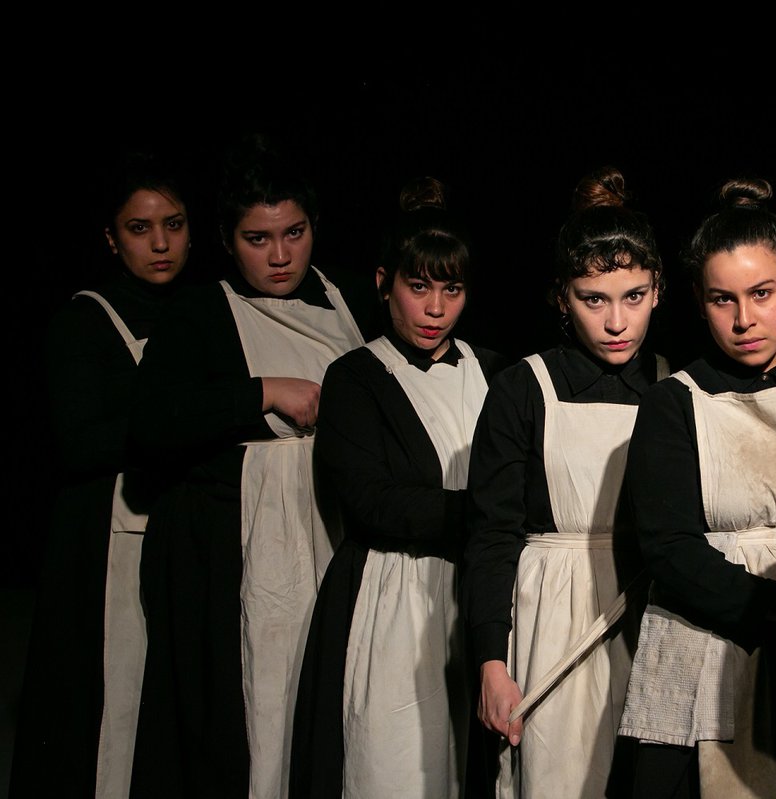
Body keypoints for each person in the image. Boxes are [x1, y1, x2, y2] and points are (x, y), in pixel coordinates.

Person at [128, 135, 374, 799]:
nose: (280, 255)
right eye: (257, 239)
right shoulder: (200, 312)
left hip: (339, 527)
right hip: (246, 548)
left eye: (294, 233)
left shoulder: (348, 297)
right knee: (260, 706)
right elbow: (150, 424)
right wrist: (262, 391)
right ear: (227, 239)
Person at [617, 177, 776, 799]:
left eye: (761, 293)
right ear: (700, 302)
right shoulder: (675, 401)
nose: (744, 319)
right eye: (723, 299)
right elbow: (669, 550)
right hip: (708, 641)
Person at [288, 177, 508, 798]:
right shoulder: (357, 377)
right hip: (393, 597)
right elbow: (373, 502)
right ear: (385, 282)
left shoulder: (496, 372)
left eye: (451, 290)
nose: (435, 309)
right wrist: (489, 516)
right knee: (395, 765)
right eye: (419, 287)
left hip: (480, 592)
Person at [463, 166, 668, 799]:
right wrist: (490, 660)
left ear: (658, 290)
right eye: (594, 299)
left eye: (634, 296)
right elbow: (491, 533)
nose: (617, 322)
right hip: (552, 613)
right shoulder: (523, 388)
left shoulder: (672, 387)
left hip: (651, 610)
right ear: (561, 297)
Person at [9, 151, 194, 799]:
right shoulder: (84, 320)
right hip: (108, 542)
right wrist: (190, 416)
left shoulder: (204, 311)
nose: (161, 243)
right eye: (140, 229)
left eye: (173, 224)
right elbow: (80, 441)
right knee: (110, 709)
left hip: (184, 537)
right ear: (112, 239)